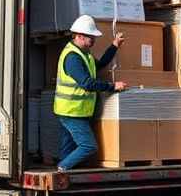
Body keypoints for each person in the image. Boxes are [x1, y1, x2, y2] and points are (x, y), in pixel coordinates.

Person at [54, 15, 127, 171]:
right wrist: (113, 86)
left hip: (75, 111)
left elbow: (99, 64)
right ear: (79, 36)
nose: (93, 40)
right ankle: (62, 168)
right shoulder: (73, 57)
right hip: (72, 111)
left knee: (68, 149)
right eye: (90, 37)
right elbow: (87, 83)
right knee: (88, 146)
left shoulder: (84, 54)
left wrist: (114, 46)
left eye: (94, 37)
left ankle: (63, 169)